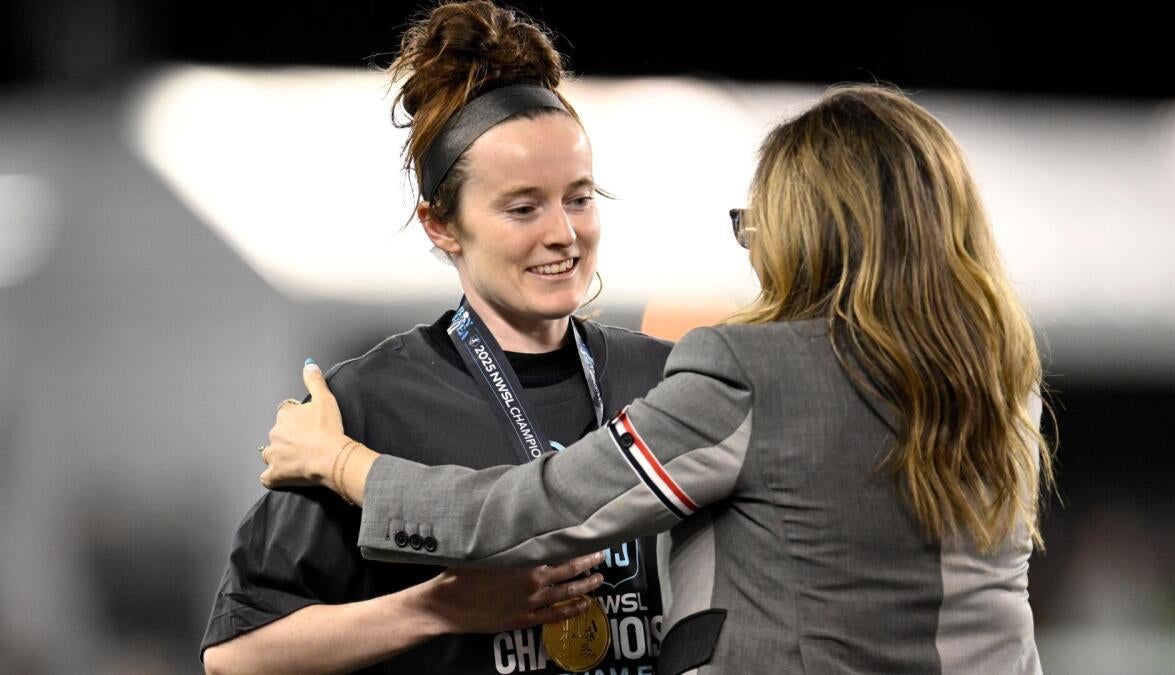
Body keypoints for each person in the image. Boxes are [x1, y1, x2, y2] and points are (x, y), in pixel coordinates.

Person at [261, 84, 1057, 674]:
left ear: (808, 233)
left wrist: (339, 463)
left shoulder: (749, 371)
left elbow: (527, 514)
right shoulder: (998, 377)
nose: (754, 251)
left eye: (759, 224)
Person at [202, 2, 672, 673]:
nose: (563, 234)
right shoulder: (366, 406)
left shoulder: (666, 380)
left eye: (579, 197)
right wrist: (439, 606)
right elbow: (237, 656)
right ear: (440, 225)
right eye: (523, 207)